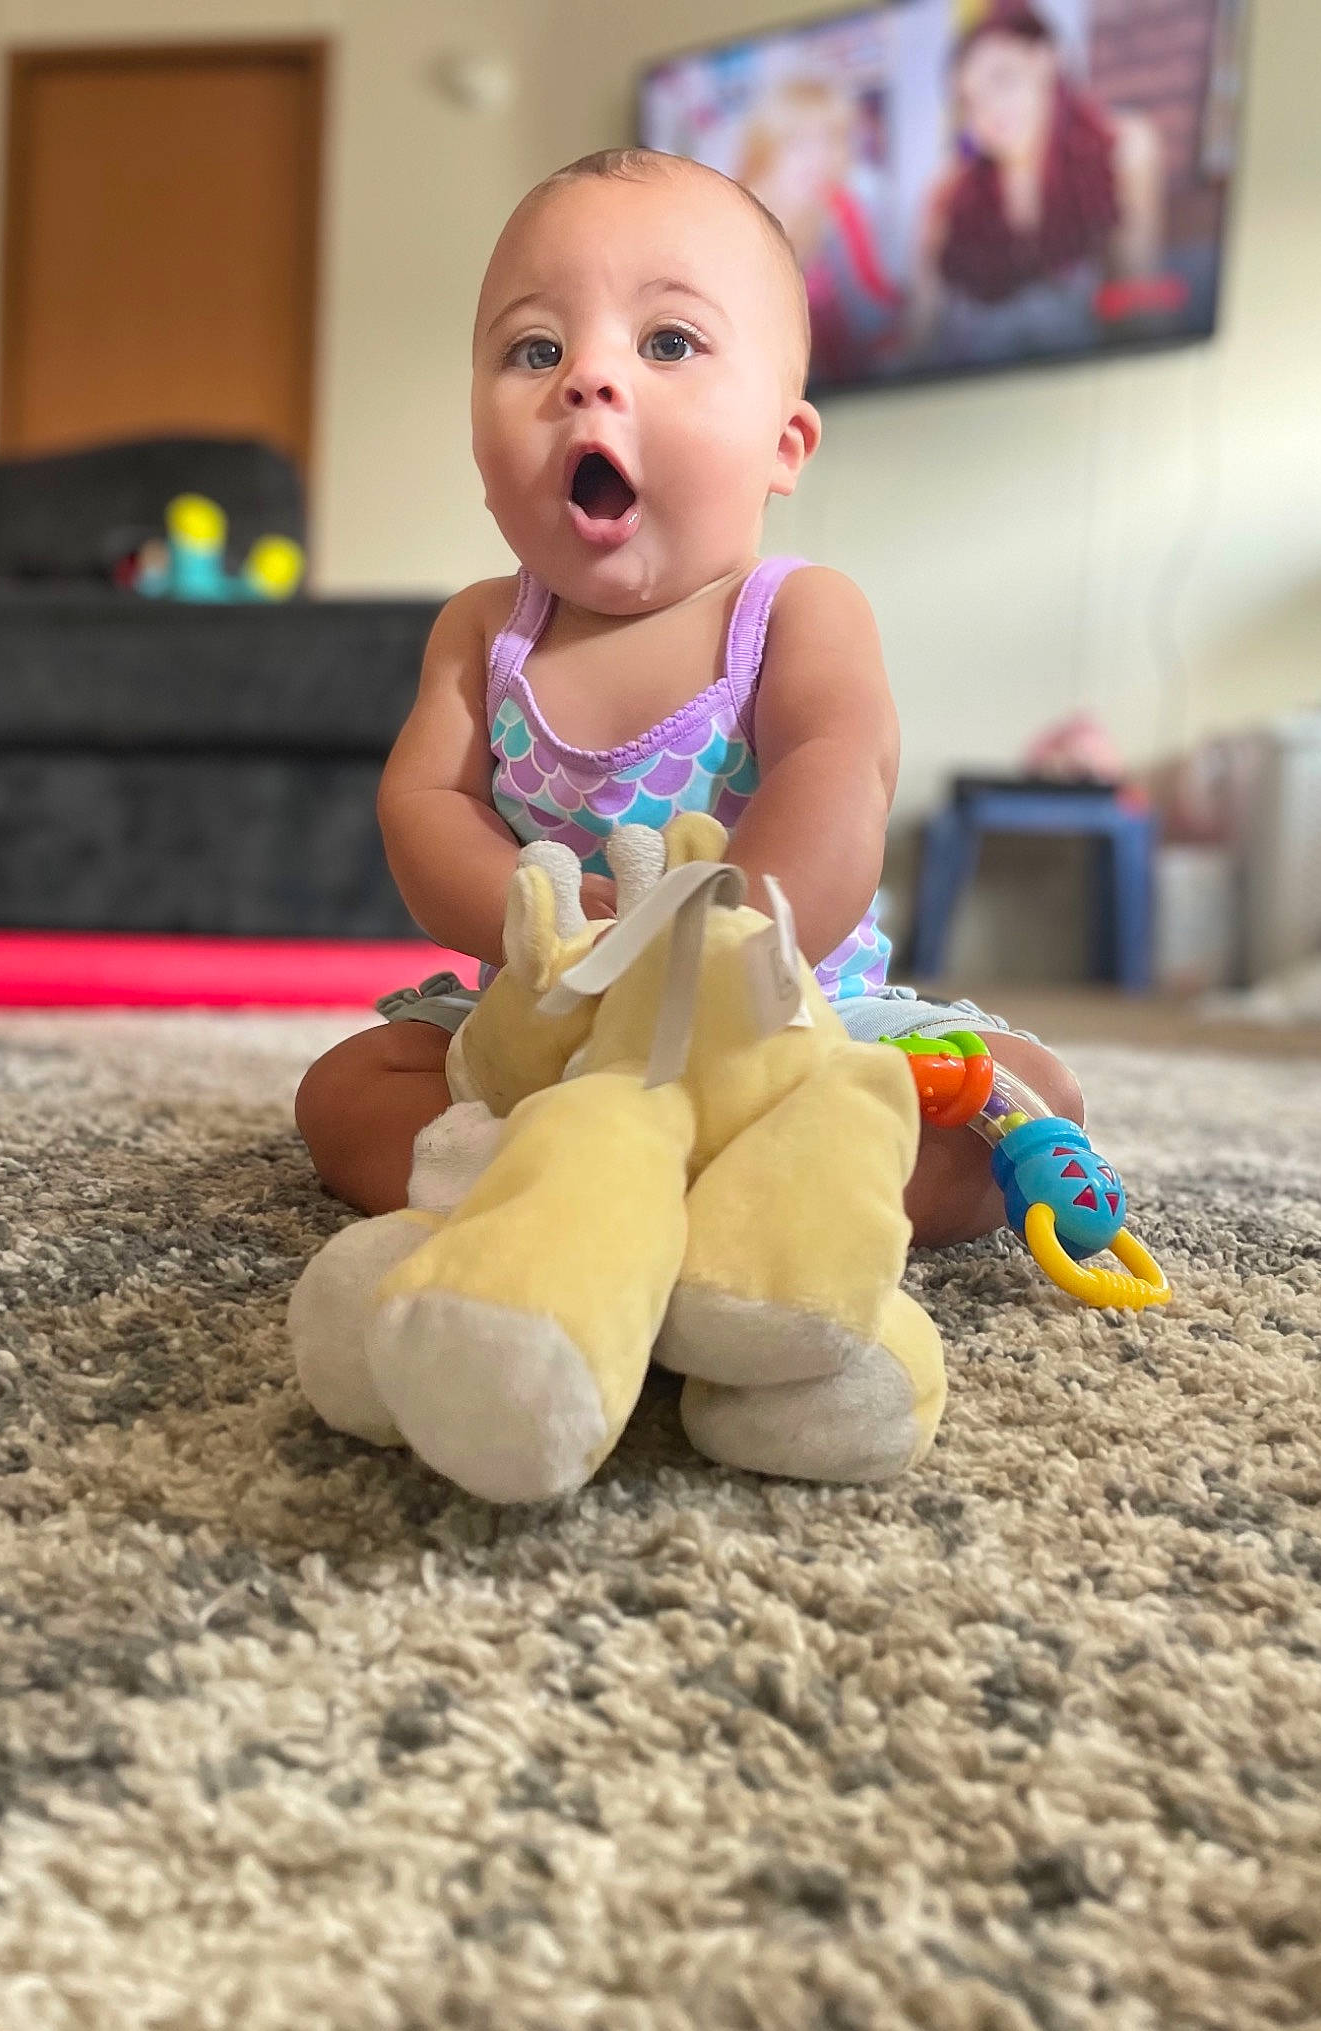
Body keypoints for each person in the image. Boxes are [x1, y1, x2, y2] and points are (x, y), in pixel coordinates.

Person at [295, 148, 1081, 1247]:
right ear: (484, 459)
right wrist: (554, 929)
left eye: (667, 342)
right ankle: (555, 1184)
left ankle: (759, 1194)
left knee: (1018, 1097)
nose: (588, 377)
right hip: (546, 1026)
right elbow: (425, 806)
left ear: (783, 444)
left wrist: (721, 950)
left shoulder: (798, 612)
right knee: (346, 1090)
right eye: (536, 349)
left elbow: (836, 771)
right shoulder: (483, 630)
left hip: (800, 1022)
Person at [911, 0, 1165, 365]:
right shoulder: (947, 193)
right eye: (971, 101)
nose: (990, 112)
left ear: (1047, 59)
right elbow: (919, 339)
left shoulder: (1125, 150)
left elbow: (1140, 308)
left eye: (1002, 80)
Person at [736, 76, 904, 386]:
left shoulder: (842, 208)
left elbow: (879, 307)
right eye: (799, 143)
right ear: (766, 149)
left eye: (831, 140)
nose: (820, 158)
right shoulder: (732, 222)